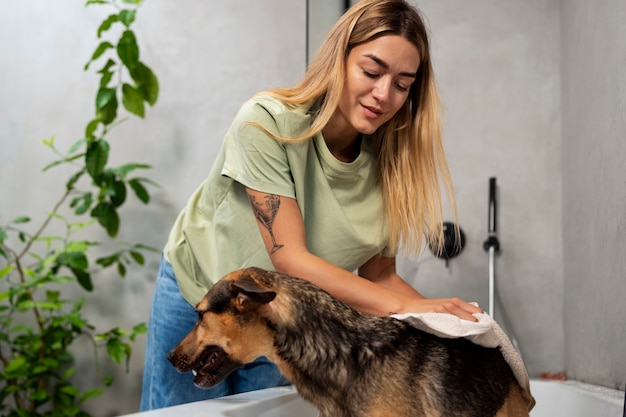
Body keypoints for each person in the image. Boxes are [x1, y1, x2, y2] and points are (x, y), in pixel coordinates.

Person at [140, 0, 482, 410]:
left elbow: (379, 278)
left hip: (283, 321)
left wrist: (442, 321)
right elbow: (290, 261)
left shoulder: (392, 165)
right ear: (339, 60)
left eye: (402, 84)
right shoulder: (265, 123)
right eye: (371, 72)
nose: (383, 94)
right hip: (197, 292)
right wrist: (410, 306)